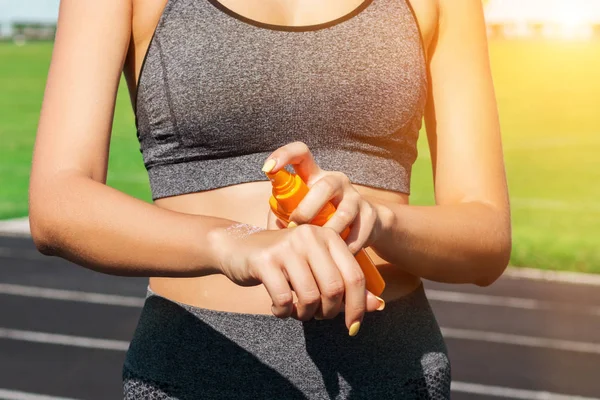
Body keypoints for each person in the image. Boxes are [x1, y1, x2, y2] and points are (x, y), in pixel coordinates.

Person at [29, 0, 511, 398]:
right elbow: (57, 200)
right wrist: (234, 243)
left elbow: (486, 238)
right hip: (196, 372)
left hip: (393, 372)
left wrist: (378, 221)